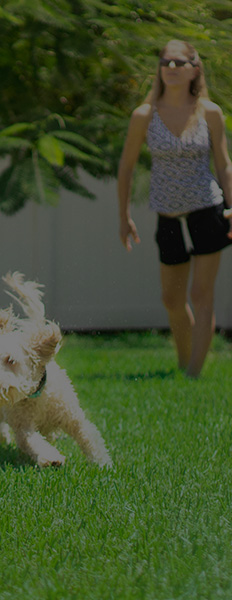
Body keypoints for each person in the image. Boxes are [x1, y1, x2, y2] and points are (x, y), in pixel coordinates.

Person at [117, 40, 232, 378]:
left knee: (201, 292)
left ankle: (193, 373)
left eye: (179, 62)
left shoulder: (209, 112)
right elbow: (126, 167)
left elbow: (224, 165)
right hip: (167, 213)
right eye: (165, 62)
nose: (170, 67)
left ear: (195, 68)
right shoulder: (144, 115)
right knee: (171, 298)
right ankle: (184, 363)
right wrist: (123, 216)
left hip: (207, 209)